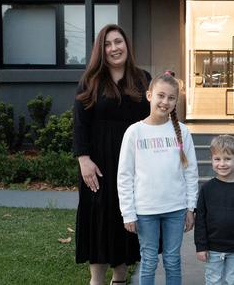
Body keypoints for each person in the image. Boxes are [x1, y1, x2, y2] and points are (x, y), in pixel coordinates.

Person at [73, 24, 150, 285]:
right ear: (101, 51)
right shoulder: (90, 81)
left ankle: (119, 278)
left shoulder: (143, 79)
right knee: (98, 217)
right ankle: (97, 279)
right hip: (98, 164)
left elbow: (155, 120)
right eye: (107, 44)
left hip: (133, 164)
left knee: (124, 216)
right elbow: (80, 124)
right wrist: (84, 159)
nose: (114, 48)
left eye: (118, 42)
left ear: (126, 45)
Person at [117, 71, 199, 285]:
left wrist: (191, 207)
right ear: (149, 95)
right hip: (145, 211)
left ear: (176, 102)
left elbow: (191, 173)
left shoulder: (183, 132)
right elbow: (124, 175)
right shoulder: (134, 132)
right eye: (161, 95)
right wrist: (128, 212)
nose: (165, 102)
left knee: (172, 260)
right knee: (149, 260)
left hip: (175, 209)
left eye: (171, 98)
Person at [195, 135, 234, 285]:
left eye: (227, 159)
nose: (222, 164)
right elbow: (200, 220)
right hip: (212, 248)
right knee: (213, 280)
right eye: (217, 159)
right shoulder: (206, 189)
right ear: (211, 160)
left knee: (233, 280)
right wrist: (201, 246)